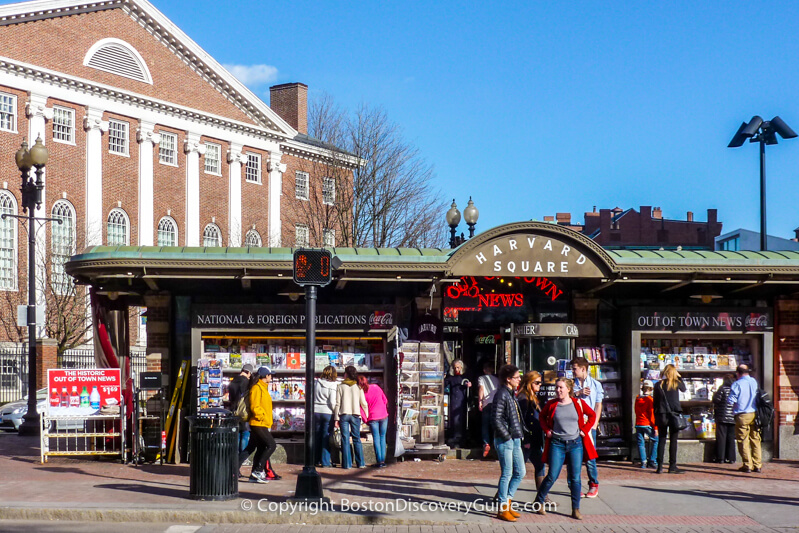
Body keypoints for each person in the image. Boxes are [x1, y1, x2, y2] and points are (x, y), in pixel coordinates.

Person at [535, 377, 597, 521]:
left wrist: (585, 429)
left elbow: (592, 415)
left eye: (561, 387)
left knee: (575, 478)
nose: (558, 390)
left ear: (568, 389)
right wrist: (547, 431)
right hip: (557, 444)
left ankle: (575, 509)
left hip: (575, 444)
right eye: (557, 387)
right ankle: (539, 501)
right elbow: (542, 417)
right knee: (552, 475)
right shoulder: (552, 404)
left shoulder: (578, 403)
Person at [491, 364, 525, 522]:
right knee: (507, 473)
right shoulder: (501, 394)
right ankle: (502, 507)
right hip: (506, 439)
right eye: (517, 377)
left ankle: (508, 501)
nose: (519, 379)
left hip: (515, 438)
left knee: (521, 472)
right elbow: (496, 419)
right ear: (508, 379)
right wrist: (507, 437)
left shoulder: (511, 393)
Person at [238, 366, 282, 483]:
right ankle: (258, 471)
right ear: (266, 376)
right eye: (270, 375)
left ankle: (253, 474)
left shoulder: (263, 388)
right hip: (258, 423)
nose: (271, 377)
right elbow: (255, 406)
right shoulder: (257, 388)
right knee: (271, 445)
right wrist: (261, 416)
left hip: (262, 422)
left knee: (259, 447)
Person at [570, 356, 604, 497]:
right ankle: (575, 485)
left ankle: (593, 484)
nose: (573, 371)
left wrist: (595, 424)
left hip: (589, 425)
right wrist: (578, 393)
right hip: (574, 425)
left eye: (575, 369)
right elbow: (566, 398)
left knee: (590, 456)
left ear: (583, 369)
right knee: (575, 456)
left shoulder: (596, 384)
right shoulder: (571, 384)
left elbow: (598, 404)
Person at [653, 364, 686, 474]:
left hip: (662, 414)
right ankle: (672, 465)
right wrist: (679, 377)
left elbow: (655, 401)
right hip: (674, 414)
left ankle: (660, 466)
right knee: (673, 440)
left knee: (661, 440)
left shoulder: (658, 385)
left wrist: (656, 414)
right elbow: (684, 388)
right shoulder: (676, 384)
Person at [728, 364, 761, 473]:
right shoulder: (753, 381)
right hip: (754, 413)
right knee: (755, 440)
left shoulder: (737, 384)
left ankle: (747, 465)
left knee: (743, 440)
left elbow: (731, 400)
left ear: (738, 373)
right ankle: (757, 464)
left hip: (742, 414)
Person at [516, 371, 546, 492]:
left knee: (540, 466)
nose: (540, 385)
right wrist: (526, 439)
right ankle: (501, 496)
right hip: (528, 440)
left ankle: (542, 497)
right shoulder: (523, 398)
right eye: (537, 383)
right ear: (529, 383)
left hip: (536, 439)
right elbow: (521, 420)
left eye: (540, 383)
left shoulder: (532, 397)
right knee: (517, 470)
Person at [334, 365, 368, 469]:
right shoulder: (358, 387)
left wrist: (336, 418)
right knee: (356, 438)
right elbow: (364, 403)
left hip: (344, 415)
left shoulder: (340, 387)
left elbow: (337, 404)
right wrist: (366, 416)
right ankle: (360, 463)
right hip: (355, 415)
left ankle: (346, 464)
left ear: (346, 374)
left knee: (345, 439)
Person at [358, 375, 389, 468]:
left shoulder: (361, 394)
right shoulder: (376, 387)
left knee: (376, 438)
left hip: (372, 417)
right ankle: (383, 461)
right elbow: (385, 400)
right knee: (382, 437)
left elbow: (361, 409)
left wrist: (365, 419)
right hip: (383, 415)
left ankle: (379, 461)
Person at [313, 365, 338, 468]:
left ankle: (316, 459)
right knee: (325, 437)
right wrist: (335, 412)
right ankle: (325, 461)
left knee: (317, 436)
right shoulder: (332, 385)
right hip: (327, 412)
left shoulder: (316, 383)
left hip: (316, 412)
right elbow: (332, 402)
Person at [444, 359, 471, 448]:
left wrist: (469, 385)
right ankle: (455, 439)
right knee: (454, 420)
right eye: (455, 368)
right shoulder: (451, 377)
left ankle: (460, 439)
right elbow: (444, 385)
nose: (456, 370)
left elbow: (469, 387)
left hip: (462, 402)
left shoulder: (464, 377)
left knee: (461, 420)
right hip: (454, 401)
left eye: (458, 368)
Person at [228, 364, 253, 455]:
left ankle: (235, 455)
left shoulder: (233, 381)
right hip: (243, 410)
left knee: (237, 433)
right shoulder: (246, 382)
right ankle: (242, 456)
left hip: (233, 410)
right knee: (245, 433)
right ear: (248, 372)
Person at [634, 380, 658, 469]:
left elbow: (636, 410)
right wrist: (655, 427)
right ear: (651, 389)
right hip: (647, 423)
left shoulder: (637, 398)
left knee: (641, 443)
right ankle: (652, 460)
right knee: (656, 440)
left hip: (638, 422)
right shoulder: (650, 399)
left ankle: (643, 462)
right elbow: (652, 415)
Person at [713, 373, 736, 464]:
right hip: (733, 416)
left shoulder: (722, 388)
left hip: (722, 416)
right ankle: (731, 458)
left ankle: (720, 457)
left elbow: (716, 400)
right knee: (731, 438)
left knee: (721, 437)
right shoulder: (735, 389)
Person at [478, 362, 500, 457]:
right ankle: (496, 443)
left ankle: (486, 443)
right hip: (496, 403)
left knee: (485, 424)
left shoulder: (481, 378)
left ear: (484, 370)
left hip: (487, 403)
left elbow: (481, 389)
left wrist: (480, 401)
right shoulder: (497, 379)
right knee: (495, 424)